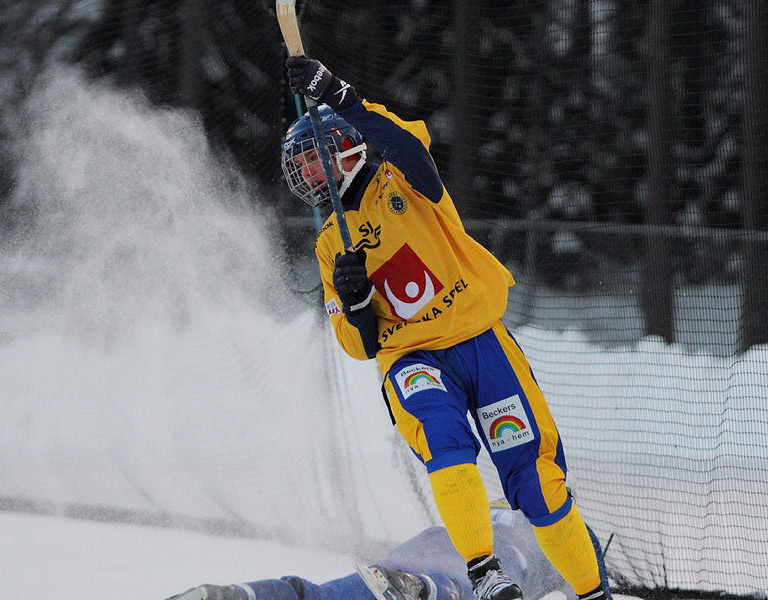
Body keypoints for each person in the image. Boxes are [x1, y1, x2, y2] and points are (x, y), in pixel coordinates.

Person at [279, 56, 608, 600]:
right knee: (444, 440)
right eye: (305, 167)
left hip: (481, 342)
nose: (312, 174)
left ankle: (596, 593)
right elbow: (359, 345)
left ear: (347, 147)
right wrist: (357, 298)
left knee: (538, 485)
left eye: (318, 159)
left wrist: (341, 97)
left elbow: (407, 143)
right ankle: (484, 572)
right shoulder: (328, 244)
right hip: (414, 359)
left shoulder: (402, 176)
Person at [165, 502, 611, 600]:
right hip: (483, 565)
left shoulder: (491, 501)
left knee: (320, 596)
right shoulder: (572, 533)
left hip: (422, 548)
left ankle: (233, 595)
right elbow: (591, 592)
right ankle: (421, 590)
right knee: (463, 591)